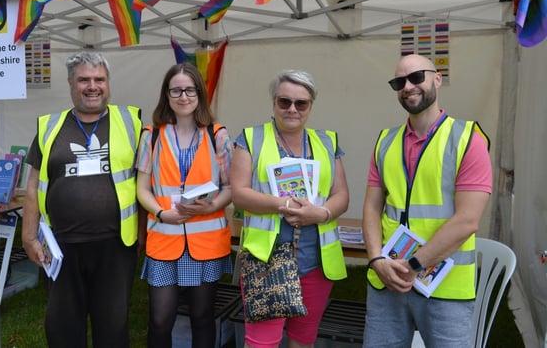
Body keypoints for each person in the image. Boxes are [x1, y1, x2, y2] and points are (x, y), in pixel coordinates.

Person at [362, 54, 492, 347]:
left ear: (437, 79)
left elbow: (468, 220)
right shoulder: (385, 140)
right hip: (387, 280)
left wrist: (413, 265)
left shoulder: (468, 139)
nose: (407, 86)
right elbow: (371, 208)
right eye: (399, 82)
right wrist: (375, 260)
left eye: (416, 77)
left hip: (445, 287)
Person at [22, 51, 143, 348]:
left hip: (115, 244)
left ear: (108, 83)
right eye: (84, 80)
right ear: (70, 84)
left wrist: (145, 234)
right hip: (61, 245)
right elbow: (33, 185)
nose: (92, 86)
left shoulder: (132, 122)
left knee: (113, 328)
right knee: (63, 328)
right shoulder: (49, 126)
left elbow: (147, 182)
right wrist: (28, 237)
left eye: (99, 79)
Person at [231, 69, 349, 348]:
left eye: (301, 103)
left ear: (310, 106)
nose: (292, 109)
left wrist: (321, 213)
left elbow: (341, 194)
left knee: (303, 340)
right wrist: (283, 205)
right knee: (261, 343)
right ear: (273, 102)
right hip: (266, 260)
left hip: (316, 260)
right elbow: (239, 194)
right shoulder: (250, 138)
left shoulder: (327, 141)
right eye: (284, 102)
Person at [136, 62, 233, 348]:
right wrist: (161, 213)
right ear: (166, 95)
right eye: (176, 90)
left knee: (202, 317)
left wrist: (210, 207)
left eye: (190, 90)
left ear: (200, 94)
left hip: (206, 244)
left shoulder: (218, 135)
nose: (183, 96)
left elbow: (232, 189)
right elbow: (142, 189)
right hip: (164, 242)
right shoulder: (150, 134)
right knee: (159, 320)